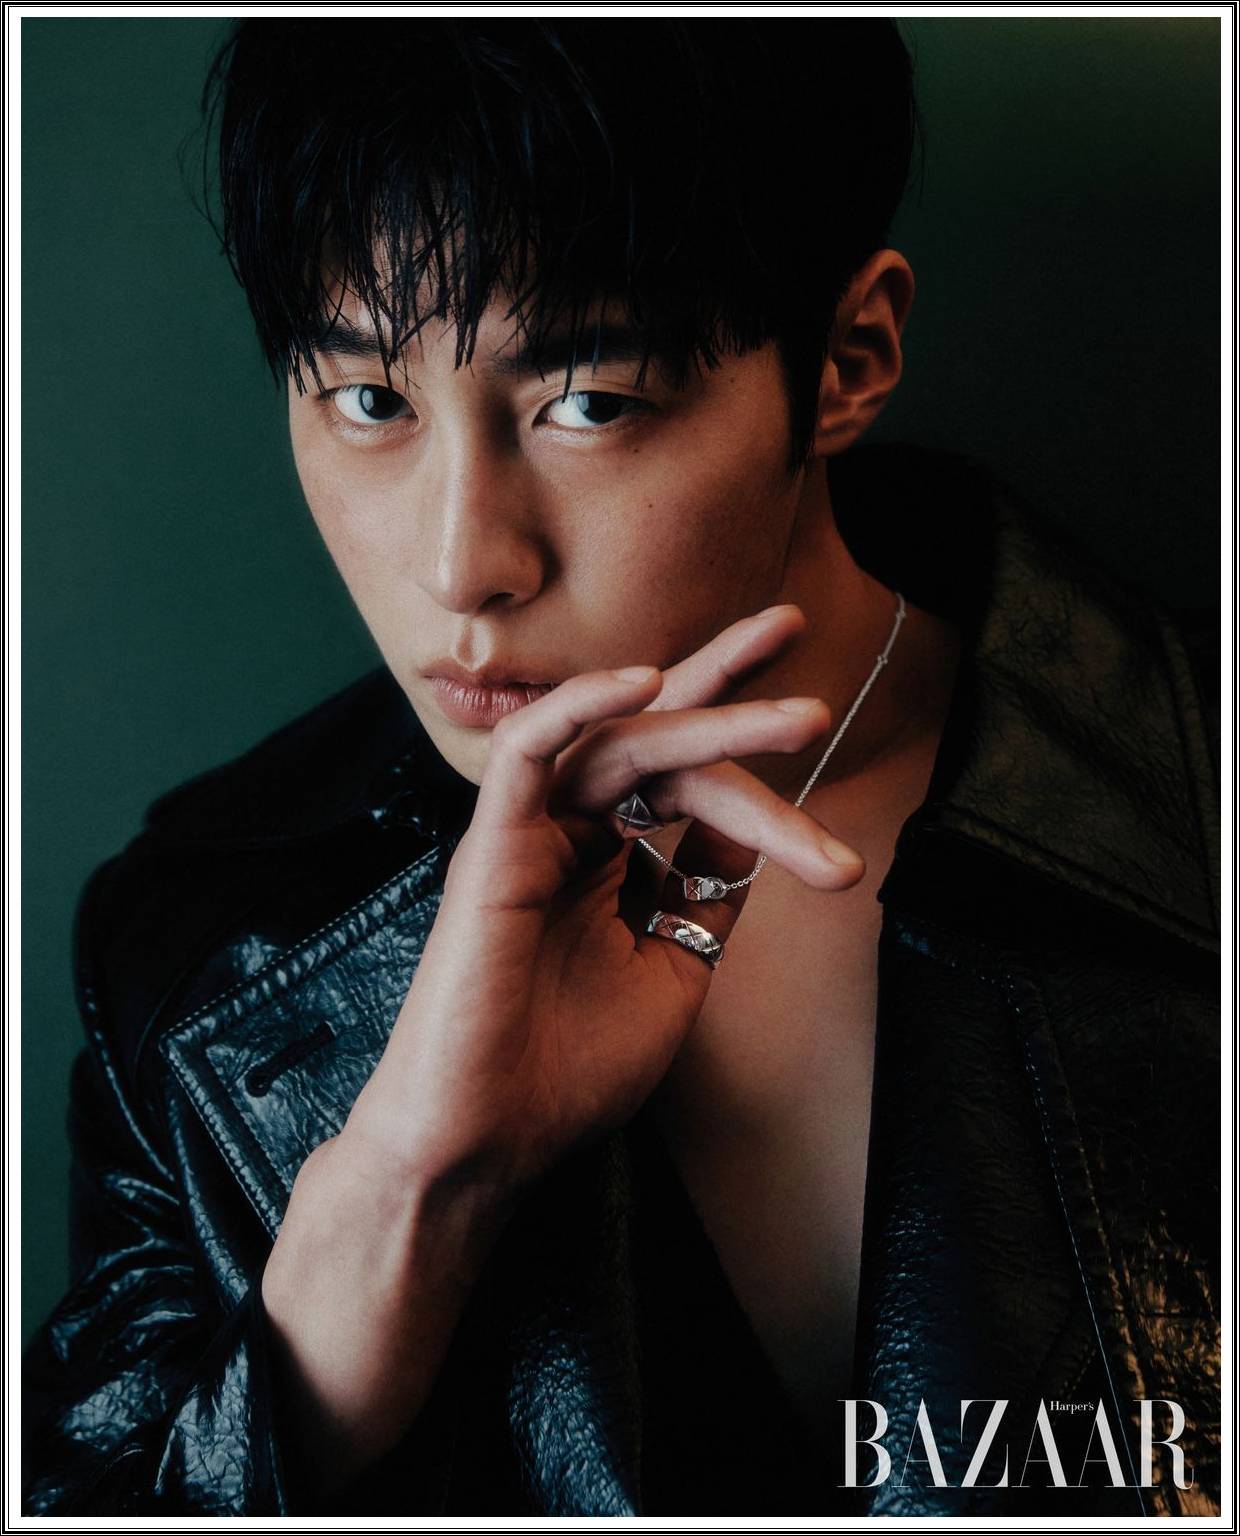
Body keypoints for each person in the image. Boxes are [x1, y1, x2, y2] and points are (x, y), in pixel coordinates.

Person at [21, 17, 1219, 1519]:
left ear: (846, 361)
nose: (462, 563)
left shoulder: (1189, 795)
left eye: (587, 403)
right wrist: (404, 1195)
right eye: (370, 401)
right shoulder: (191, 956)